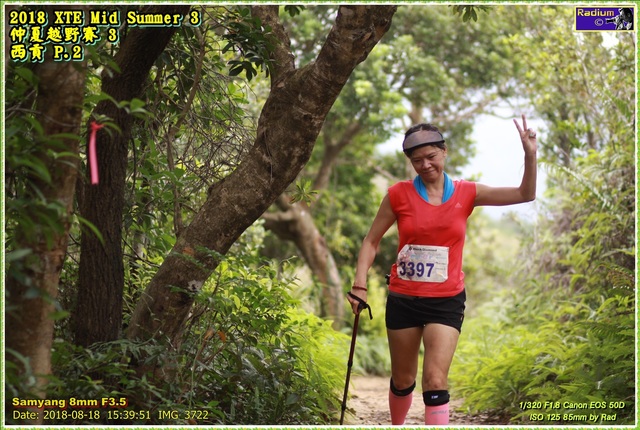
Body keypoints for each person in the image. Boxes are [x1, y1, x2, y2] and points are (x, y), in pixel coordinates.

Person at [347, 115, 537, 425]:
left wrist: (530, 155)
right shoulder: (397, 195)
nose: (425, 165)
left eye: (431, 156)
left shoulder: (467, 192)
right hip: (404, 298)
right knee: (403, 379)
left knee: (435, 380)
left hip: (446, 300)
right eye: (417, 160)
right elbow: (371, 241)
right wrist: (359, 285)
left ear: (444, 152)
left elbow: (524, 194)